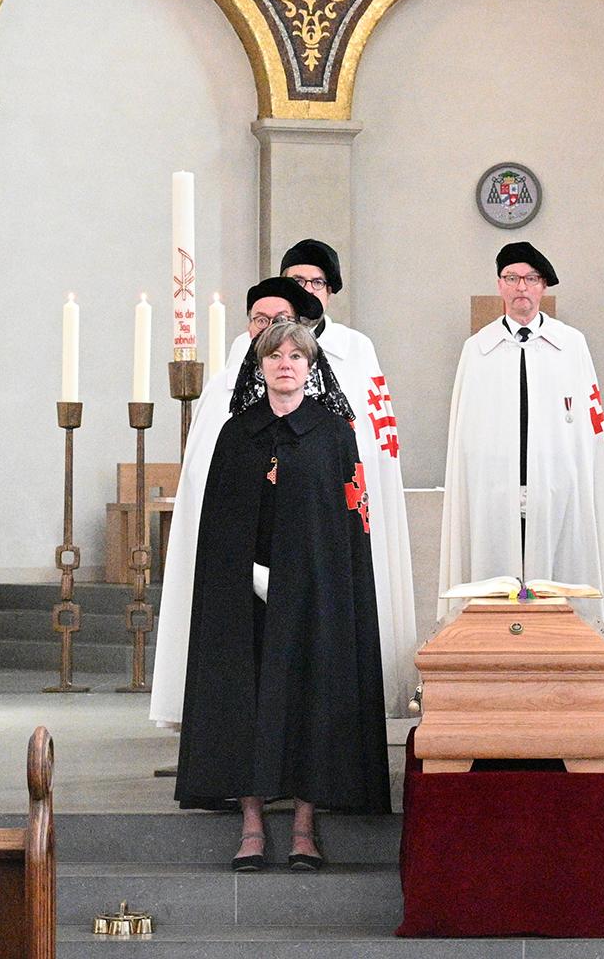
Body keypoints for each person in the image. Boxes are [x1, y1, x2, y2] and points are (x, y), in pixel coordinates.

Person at [173, 321, 390, 872]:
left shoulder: (333, 433)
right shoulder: (237, 433)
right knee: (244, 699)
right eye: (274, 356)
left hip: (314, 590)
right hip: (245, 592)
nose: (285, 364)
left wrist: (321, 579)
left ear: (310, 367)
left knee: (311, 696)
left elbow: (349, 520)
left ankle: (303, 826)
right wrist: (241, 572)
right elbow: (219, 519)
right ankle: (251, 824)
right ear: (261, 366)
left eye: (296, 355)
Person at [439, 241, 604, 673]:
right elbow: (466, 434)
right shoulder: (478, 349)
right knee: (494, 584)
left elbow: (587, 430)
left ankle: (564, 677)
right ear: (499, 286)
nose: (521, 287)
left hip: (558, 494)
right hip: (494, 495)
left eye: (530, 279)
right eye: (512, 278)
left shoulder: (571, 345)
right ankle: (492, 677)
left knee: (559, 586)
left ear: (543, 287)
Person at [151, 277, 322, 730]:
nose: (268, 327)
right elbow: (205, 475)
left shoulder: (314, 398)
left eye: (280, 319)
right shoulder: (222, 389)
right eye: (259, 319)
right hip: (234, 554)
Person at [279, 240, 416, 716]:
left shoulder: (356, 349)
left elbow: (377, 436)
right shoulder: (255, 346)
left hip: (336, 498)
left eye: (316, 282)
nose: (307, 289)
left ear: (331, 291)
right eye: (297, 281)